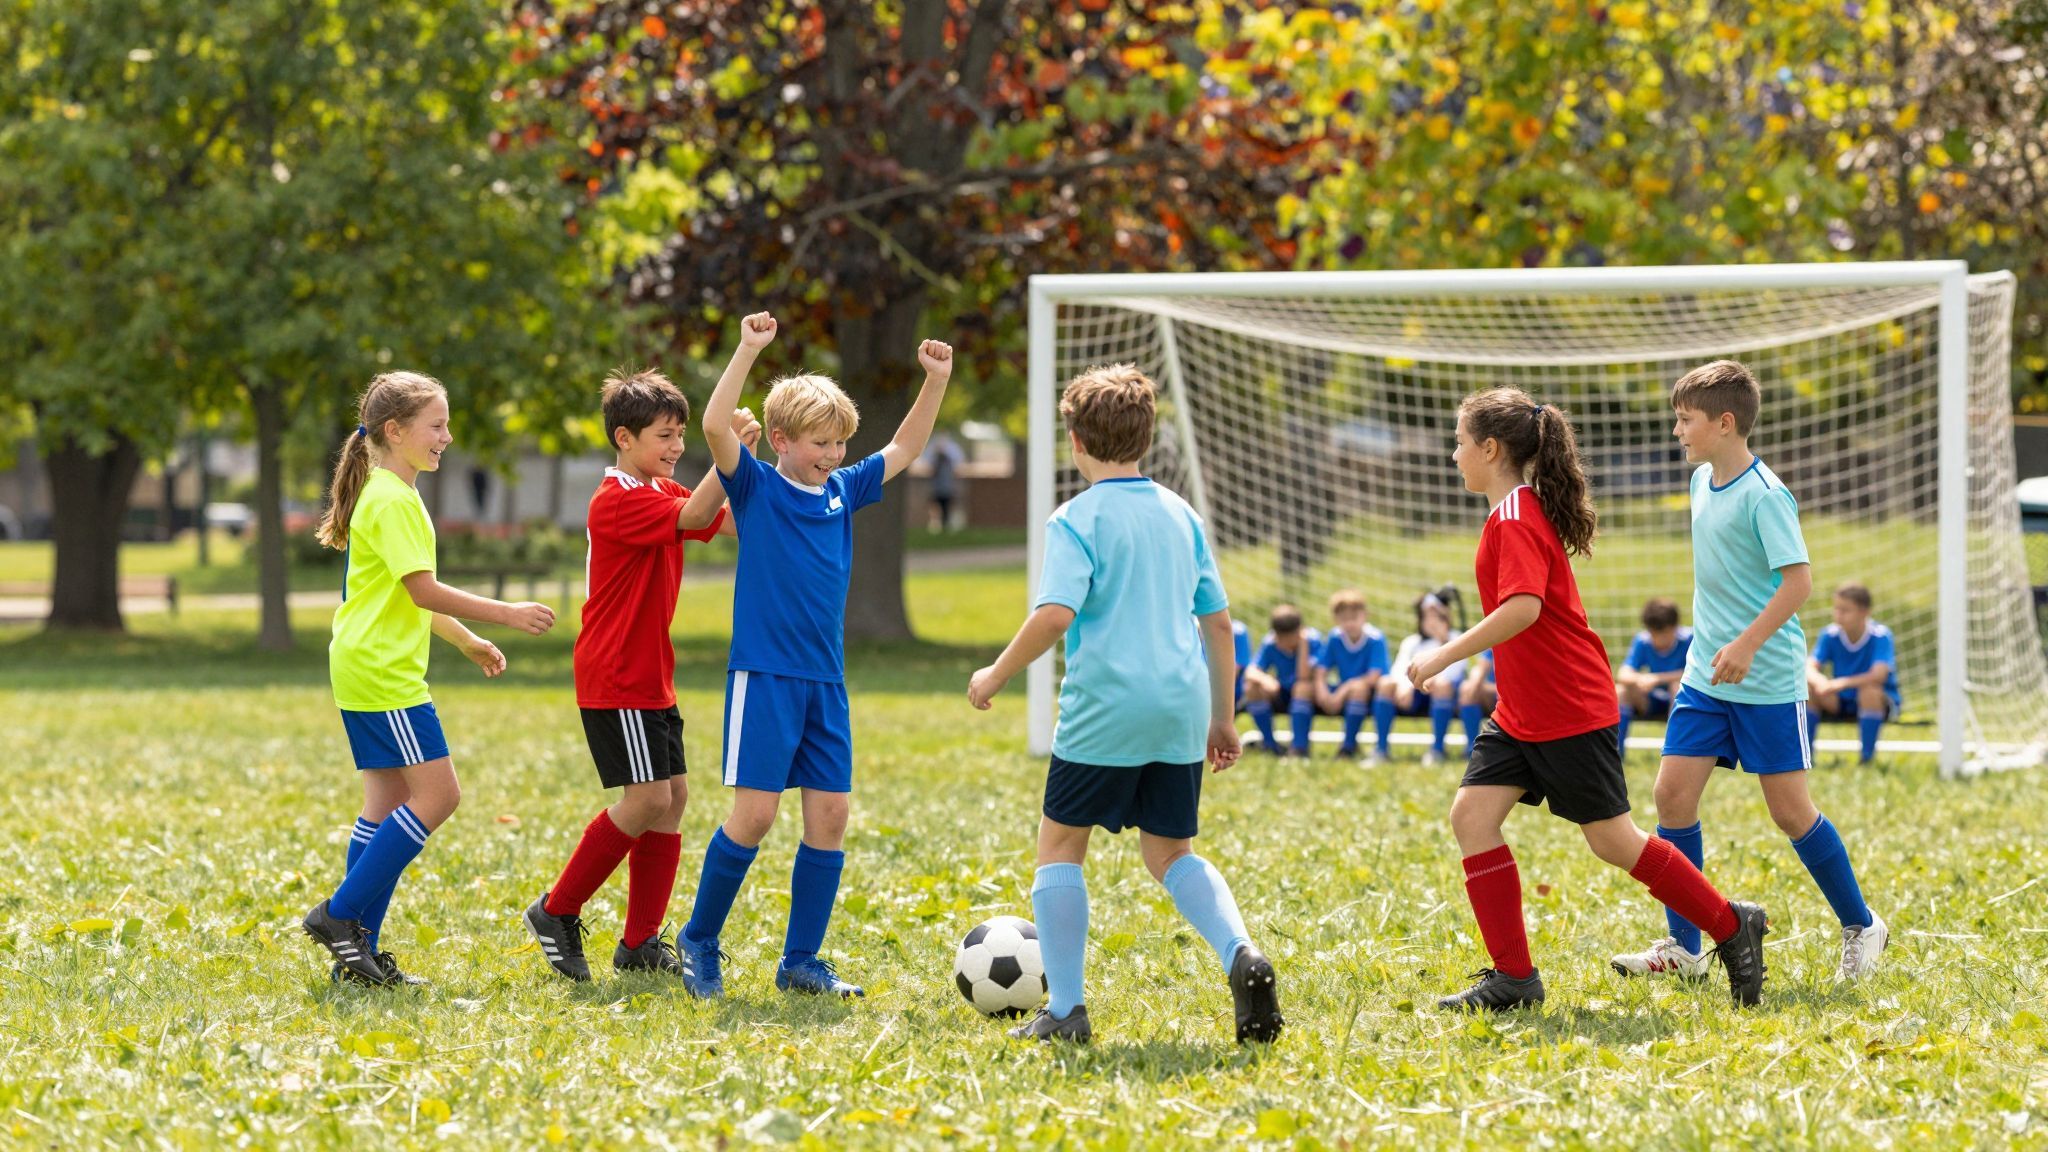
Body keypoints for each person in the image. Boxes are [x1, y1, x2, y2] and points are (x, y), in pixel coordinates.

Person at [1406, 387, 1768, 1011]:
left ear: (1490, 449)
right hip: (1523, 713)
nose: (1454, 454)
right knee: (1471, 817)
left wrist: (1444, 654)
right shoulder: (1507, 513)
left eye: (1460, 442)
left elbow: (1523, 609)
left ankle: (1733, 926)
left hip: (1569, 707)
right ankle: (1515, 979)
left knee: (1613, 841)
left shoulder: (1517, 517)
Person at [967, 362, 1282, 1045]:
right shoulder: (1181, 513)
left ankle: (1068, 1009)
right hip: (1179, 705)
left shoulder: (1075, 519)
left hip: (1105, 707)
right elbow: (1220, 624)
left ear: (1074, 441)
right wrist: (1222, 717)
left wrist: (995, 673)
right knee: (1170, 851)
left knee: (1060, 846)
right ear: (1148, 436)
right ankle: (1242, 954)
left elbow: (1054, 616)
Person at [672, 312, 953, 1001]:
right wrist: (746, 349)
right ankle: (699, 938)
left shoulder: (842, 489)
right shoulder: (756, 486)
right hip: (764, 676)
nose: (833, 453)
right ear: (781, 440)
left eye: (840, 442)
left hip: (825, 681)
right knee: (757, 816)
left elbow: (908, 446)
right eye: (821, 443)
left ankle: (802, 960)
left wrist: (936, 381)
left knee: (829, 817)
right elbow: (713, 429)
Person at [1611, 360, 1885, 984]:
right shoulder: (1700, 483)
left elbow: (1799, 583)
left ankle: (1862, 924)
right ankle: (1684, 950)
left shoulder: (1766, 494)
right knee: (1671, 796)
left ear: (1725, 422)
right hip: (1705, 678)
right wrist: (1716, 650)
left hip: (1764, 680)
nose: (1676, 431)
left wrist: (1747, 644)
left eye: (1686, 420)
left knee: (1790, 813)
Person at [301, 372, 557, 987]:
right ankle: (339, 919)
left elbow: (405, 596)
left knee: (384, 805)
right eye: (435, 425)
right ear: (395, 431)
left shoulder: (390, 493)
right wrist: (507, 612)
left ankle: (356, 955)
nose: (447, 436)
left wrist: (467, 641)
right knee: (439, 797)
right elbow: (423, 589)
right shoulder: (391, 499)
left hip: (362, 663)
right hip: (384, 673)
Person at [521, 369, 754, 982]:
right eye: (666, 436)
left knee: (672, 800)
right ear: (624, 438)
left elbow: (724, 519)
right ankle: (555, 909)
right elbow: (703, 508)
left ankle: (639, 942)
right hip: (617, 671)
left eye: (682, 435)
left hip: (652, 672)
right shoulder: (619, 498)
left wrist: (774, 475)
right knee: (647, 797)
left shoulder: (660, 488)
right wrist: (730, 452)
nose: (677, 447)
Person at [1805, 582, 1898, 765]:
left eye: (1846, 610)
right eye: (1836, 608)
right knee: (1809, 689)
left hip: (1875, 703)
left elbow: (1878, 675)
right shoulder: (1830, 634)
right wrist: (1820, 681)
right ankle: (1806, 759)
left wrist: (1839, 683)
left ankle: (1866, 760)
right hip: (1841, 701)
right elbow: (1808, 667)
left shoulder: (1880, 636)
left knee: (1869, 690)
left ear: (1864, 612)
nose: (1838, 614)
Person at [1373, 594, 1463, 765]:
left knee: (1443, 685)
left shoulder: (1456, 639)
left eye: (1436, 616)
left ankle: (1437, 750)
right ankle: (1381, 750)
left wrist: (1443, 641)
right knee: (1385, 684)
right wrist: (1405, 685)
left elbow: (1455, 673)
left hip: (1444, 694)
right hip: (1414, 692)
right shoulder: (1411, 642)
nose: (1431, 621)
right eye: (1427, 616)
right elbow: (1399, 669)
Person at [1313, 589, 1389, 761]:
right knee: (1303, 688)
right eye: (1344, 619)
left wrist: (1343, 690)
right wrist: (1322, 691)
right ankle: (1298, 747)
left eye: (1354, 618)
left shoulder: (1375, 638)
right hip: (1344, 691)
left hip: (1373, 694)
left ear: (1364, 616)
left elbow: (1373, 677)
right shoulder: (1334, 638)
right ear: (1336, 619)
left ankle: (1348, 746)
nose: (1349, 623)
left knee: (1358, 690)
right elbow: (1321, 669)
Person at [1616, 598, 1693, 758]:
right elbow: (1623, 674)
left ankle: (1675, 751)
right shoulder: (1643, 641)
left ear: (1674, 628)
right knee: (1621, 691)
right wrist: (1642, 679)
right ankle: (1617, 753)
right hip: (1653, 702)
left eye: (1663, 634)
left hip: (1684, 702)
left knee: (1676, 686)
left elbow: (1698, 671)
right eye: (1653, 634)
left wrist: (1657, 678)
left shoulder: (1689, 639)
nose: (1658, 639)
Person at [1242, 605, 1320, 757]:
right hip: (1282, 693)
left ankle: (1299, 748)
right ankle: (1270, 745)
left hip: (1310, 696)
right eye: (1281, 639)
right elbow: (1250, 671)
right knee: (1252, 688)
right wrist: (1266, 680)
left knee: (1302, 686)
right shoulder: (1270, 643)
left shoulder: (1312, 641)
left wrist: (1303, 645)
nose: (1286, 643)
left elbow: (1304, 676)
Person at [1458, 649, 1497, 758]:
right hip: (1493, 693)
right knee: (1467, 689)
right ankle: (1473, 748)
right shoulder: (1493, 645)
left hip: (1517, 692)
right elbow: (1480, 669)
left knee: (1470, 688)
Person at [924, 430, 965, 532]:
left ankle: (946, 525)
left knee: (946, 508)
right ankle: (936, 525)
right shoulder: (935, 459)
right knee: (935, 507)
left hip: (947, 488)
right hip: (937, 487)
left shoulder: (950, 459)